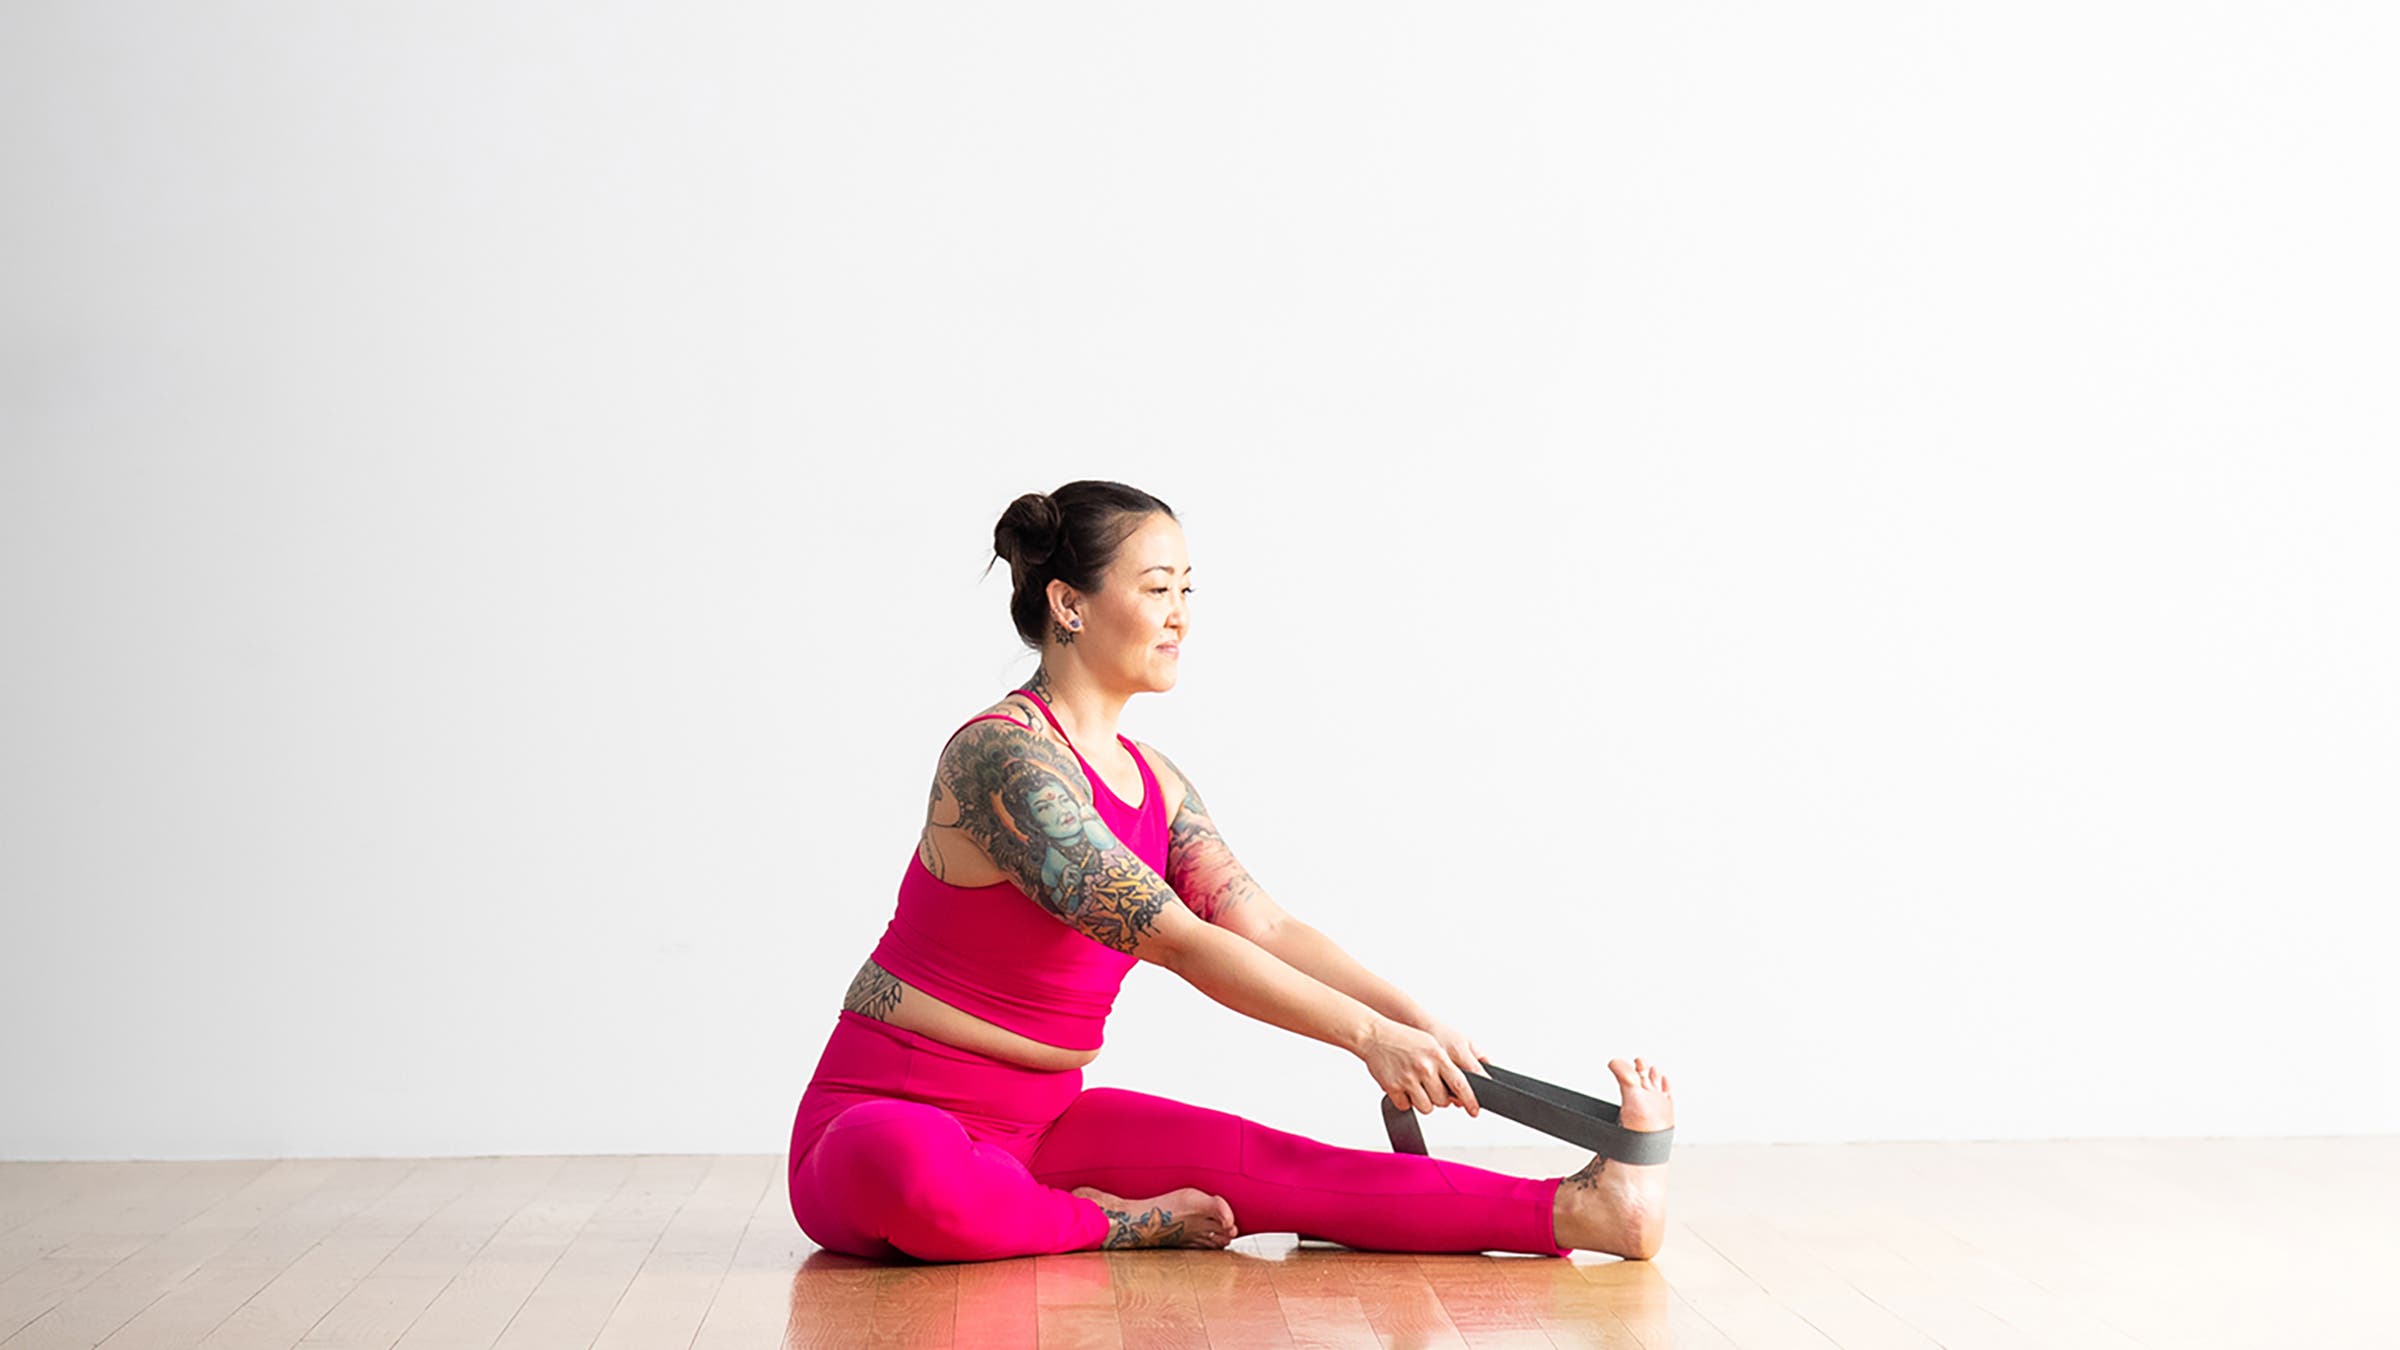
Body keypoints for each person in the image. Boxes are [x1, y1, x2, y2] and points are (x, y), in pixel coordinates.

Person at [785, 479, 1676, 1262]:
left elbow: (1264, 927)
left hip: (1047, 1123)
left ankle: (1588, 1208)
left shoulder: (1158, 783)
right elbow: (1179, 941)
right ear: (1069, 603)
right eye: (1156, 588)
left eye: (1187, 591)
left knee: (1281, 1167)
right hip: (888, 1116)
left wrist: (1415, 1022)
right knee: (912, 1172)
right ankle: (1114, 1228)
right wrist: (1365, 1040)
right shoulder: (1005, 759)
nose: (1181, 615)